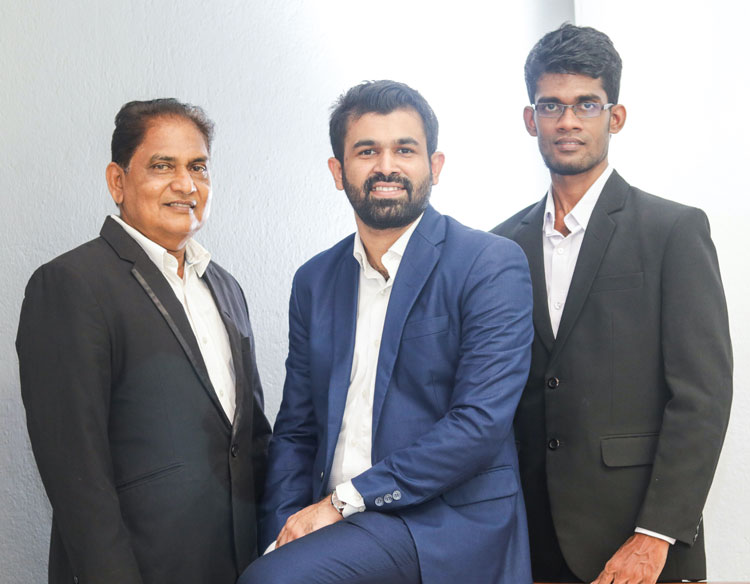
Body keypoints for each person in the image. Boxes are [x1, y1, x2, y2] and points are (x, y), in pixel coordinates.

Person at [238, 80, 534, 584]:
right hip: (338, 526)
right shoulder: (314, 280)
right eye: (367, 151)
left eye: (405, 149)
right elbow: (297, 430)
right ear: (338, 172)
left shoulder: (488, 263)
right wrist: (280, 532)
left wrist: (344, 501)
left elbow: (479, 424)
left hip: (439, 523)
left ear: (434, 166)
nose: (386, 166)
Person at [493, 24, 733, 584]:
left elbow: (702, 396)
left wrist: (656, 535)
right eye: (551, 105)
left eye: (587, 104)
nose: (568, 121)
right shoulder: (499, 247)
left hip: (639, 543)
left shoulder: (673, 230)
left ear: (615, 116)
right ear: (530, 119)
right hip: (529, 541)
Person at [16, 99, 271, 584]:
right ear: (118, 181)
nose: (186, 184)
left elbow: (252, 440)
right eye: (163, 166)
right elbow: (76, 475)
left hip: (239, 567)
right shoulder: (71, 284)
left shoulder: (227, 288)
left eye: (198, 167)